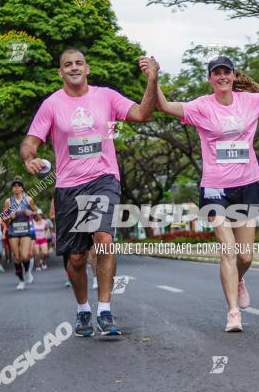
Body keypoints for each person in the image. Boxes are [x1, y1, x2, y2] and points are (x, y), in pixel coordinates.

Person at [155, 55, 259, 332]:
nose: (222, 76)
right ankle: (233, 312)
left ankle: (239, 279)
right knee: (229, 250)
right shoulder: (201, 106)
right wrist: (154, 78)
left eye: (226, 72)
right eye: (216, 73)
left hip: (247, 185)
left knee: (245, 257)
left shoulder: (251, 102)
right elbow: (162, 106)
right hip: (214, 187)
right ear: (210, 79)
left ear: (233, 76)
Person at [21, 48, 158, 338]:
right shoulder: (51, 105)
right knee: (76, 259)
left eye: (79, 63)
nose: (74, 67)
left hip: (102, 179)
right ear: (60, 72)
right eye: (67, 64)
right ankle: (83, 308)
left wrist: (152, 80)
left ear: (88, 68)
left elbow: (143, 114)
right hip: (69, 186)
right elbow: (30, 141)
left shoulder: (105, 97)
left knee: (104, 239)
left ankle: (104, 310)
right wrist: (29, 158)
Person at [3, 177, 39, 290]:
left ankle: (27, 271)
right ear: (13, 189)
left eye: (19, 185)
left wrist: (31, 213)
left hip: (25, 230)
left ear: (22, 188)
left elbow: (36, 213)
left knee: (24, 255)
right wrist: (9, 216)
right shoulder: (8, 201)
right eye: (14, 186)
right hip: (13, 231)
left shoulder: (28, 199)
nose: (16, 187)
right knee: (17, 257)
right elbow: (3, 217)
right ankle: (21, 280)